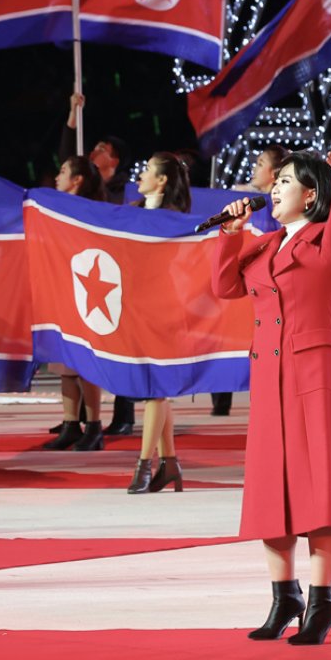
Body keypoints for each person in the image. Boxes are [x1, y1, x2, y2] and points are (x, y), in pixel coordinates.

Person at [212, 144, 331, 645]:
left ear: (311, 195)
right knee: (270, 486)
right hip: (269, 378)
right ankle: (284, 597)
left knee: (319, 486)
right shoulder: (262, 245)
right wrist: (230, 233)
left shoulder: (326, 239)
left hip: (314, 375)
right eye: (274, 181)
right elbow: (224, 286)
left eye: (284, 182)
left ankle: (323, 600)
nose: (273, 189)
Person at [126, 152, 192, 494]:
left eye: (148, 170)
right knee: (156, 389)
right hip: (137, 309)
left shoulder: (174, 220)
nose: (141, 175)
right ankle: (169, 464)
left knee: (155, 389)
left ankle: (143, 466)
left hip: (165, 309)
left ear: (162, 180)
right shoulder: (131, 212)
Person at [44, 157, 108, 451]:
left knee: (84, 364)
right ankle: (70, 423)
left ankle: (94, 426)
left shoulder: (91, 211)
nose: (57, 177)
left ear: (78, 179)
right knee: (64, 363)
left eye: (63, 172)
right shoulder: (55, 209)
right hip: (62, 289)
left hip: (87, 291)